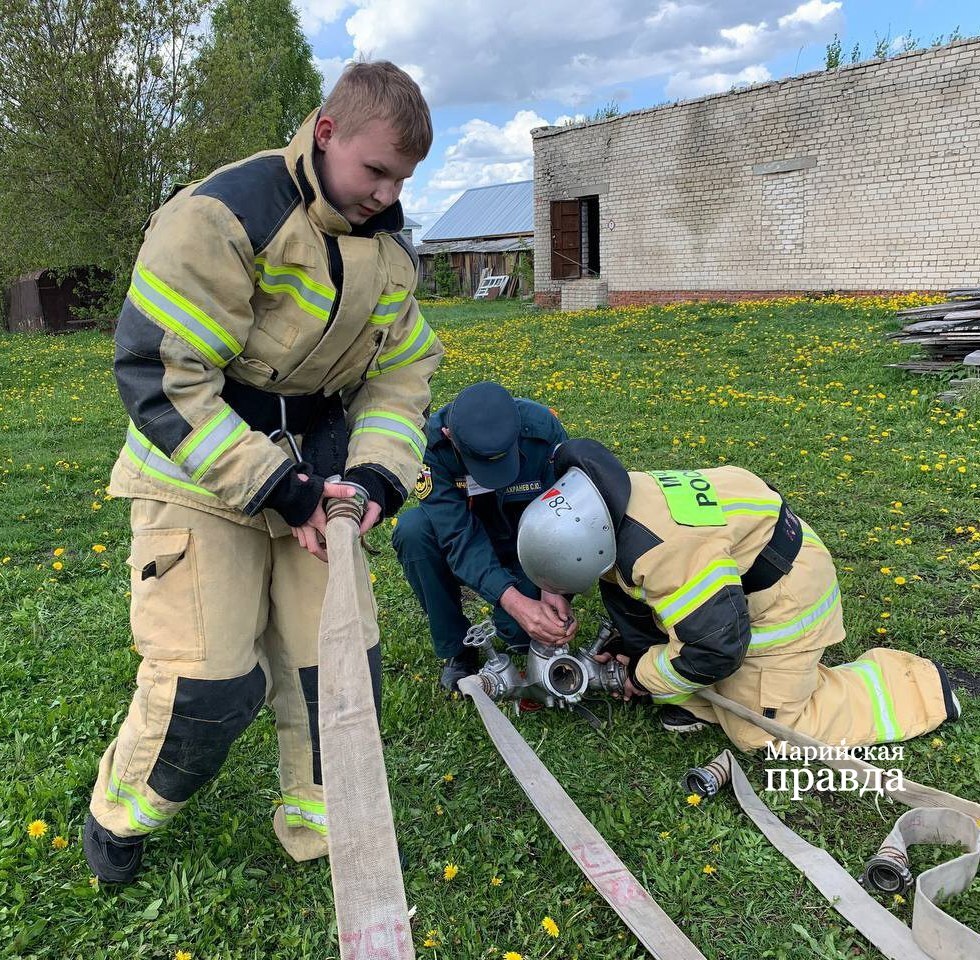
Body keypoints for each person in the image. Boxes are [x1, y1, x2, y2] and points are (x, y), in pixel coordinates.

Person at [84, 61, 443, 883]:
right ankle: (120, 812)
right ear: (326, 133)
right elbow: (160, 376)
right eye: (376, 170)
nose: (388, 195)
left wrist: (377, 478)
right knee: (208, 685)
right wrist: (282, 489)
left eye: (403, 179)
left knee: (339, 669)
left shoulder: (386, 249)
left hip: (317, 480)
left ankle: (324, 826)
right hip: (196, 471)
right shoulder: (222, 214)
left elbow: (402, 373)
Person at [516, 439, 960, 750]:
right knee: (678, 667)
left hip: (789, 596)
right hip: (732, 586)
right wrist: (630, 651)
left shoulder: (662, 551)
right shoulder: (611, 506)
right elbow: (632, 598)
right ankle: (706, 701)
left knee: (762, 731)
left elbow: (716, 648)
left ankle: (916, 689)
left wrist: (640, 676)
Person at [392, 382, 574, 690]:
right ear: (451, 437)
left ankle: (520, 617)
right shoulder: (433, 446)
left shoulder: (542, 428)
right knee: (413, 530)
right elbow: (458, 537)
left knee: (518, 635)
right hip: (473, 540)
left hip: (528, 546)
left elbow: (563, 511)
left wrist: (552, 584)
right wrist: (515, 601)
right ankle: (458, 649)